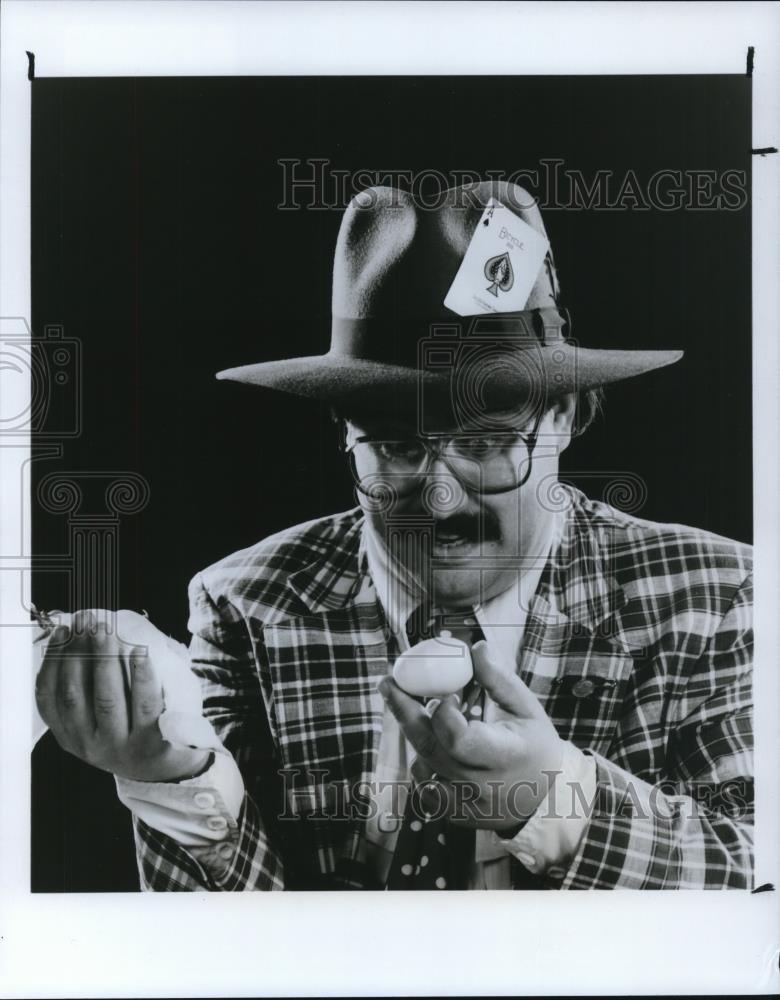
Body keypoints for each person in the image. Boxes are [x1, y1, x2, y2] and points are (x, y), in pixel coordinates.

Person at [35, 181, 753, 891]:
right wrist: (171, 777)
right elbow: (234, 955)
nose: (439, 501)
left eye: (486, 444)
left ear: (561, 416)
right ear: (343, 432)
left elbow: (757, 884)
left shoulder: (718, 595)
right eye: (397, 449)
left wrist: (551, 797)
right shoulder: (244, 607)